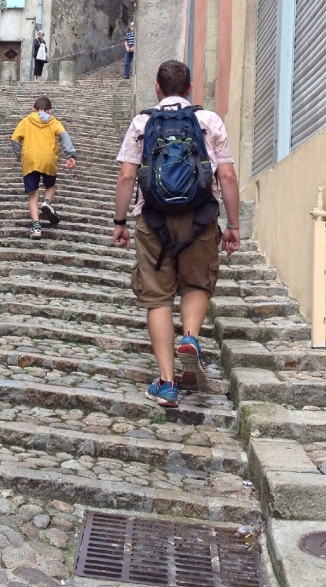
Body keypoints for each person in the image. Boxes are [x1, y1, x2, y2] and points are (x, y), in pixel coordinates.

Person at [112, 60, 241, 408]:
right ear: (189, 88)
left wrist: (120, 222)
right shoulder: (209, 121)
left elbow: (127, 178)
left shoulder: (142, 123)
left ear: (157, 87)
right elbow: (226, 177)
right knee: (197, 283)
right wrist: (233, 225)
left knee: (157, 297)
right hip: (200, 216)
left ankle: (167, 383)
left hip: (153, 220)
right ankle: (191, 337)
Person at [11, 95, 77, 240]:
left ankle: (36, 227)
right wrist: (70, 155)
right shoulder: (54, 122)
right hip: (48, 158)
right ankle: (46, 203)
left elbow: (14, 139)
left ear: (32, 109)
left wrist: (20, 156)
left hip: (30, 159)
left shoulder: (26, 121)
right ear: (50, 110)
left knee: (33, 194)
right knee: (50, 185)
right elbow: (64, 137)